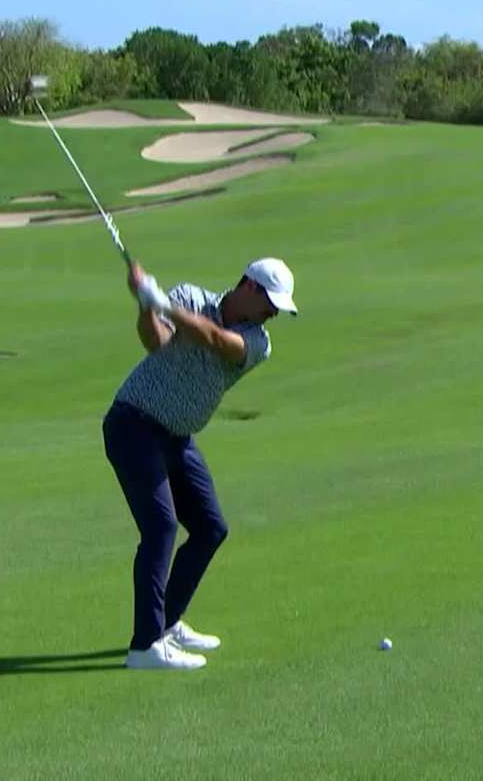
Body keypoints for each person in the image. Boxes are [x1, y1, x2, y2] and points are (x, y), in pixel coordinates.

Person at [102, 256, 297, 670]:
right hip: (134, 424)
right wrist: (146, 304)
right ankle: (146, 646)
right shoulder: (191, 295)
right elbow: (156, 342)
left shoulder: (257, 341)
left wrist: (166, 305)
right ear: (247, 286)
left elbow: (214, 339)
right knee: (161, 527)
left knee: (210, 529)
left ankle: (168, 622)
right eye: (270, 302)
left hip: (177, 437)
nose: (274, 313)